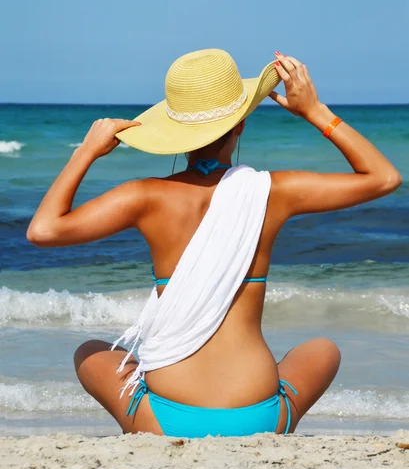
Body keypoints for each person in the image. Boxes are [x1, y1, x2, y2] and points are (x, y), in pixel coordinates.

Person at [27, 50, 402, 437]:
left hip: (165, 417)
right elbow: (384, 178)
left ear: (174, 134)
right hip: (259, 415)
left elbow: (43, 230)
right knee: (324, 350)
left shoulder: (142, 196)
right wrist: (315, 111)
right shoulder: (273, 191)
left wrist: (88, 150)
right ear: (240, 125)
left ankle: (142, 425)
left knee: (90, 351)